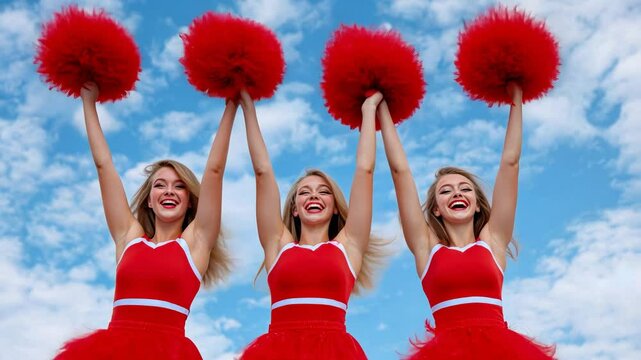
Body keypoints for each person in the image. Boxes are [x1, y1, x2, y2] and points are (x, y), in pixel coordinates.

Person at [54, 82, 235, 359]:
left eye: (179, 186)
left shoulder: (195, 244)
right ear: (149, 200)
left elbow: (214, 171)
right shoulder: (128, 237)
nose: (169, 191)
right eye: (160, 185)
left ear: (190, 202)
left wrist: (231, 107)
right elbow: (104, 166)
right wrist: (88, 103)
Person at [379, 83, 556, 359]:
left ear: (476, 204)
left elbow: (510, 163)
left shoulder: (493, 241)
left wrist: (517, 98)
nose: (457, 193)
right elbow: (400, 172)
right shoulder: (426, 247)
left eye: (465, 188)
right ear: (436, 209)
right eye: (446, 191)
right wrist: (383, 111)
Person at [238, 90, 385, 359]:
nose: (314, 195)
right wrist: (247, 106)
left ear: (334, 206)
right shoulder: (277, 245)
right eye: (305, 192)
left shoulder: (349, 246)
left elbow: (365, 170)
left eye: (323, 191)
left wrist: (368, 110)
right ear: (294, 208)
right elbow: (263, 172)